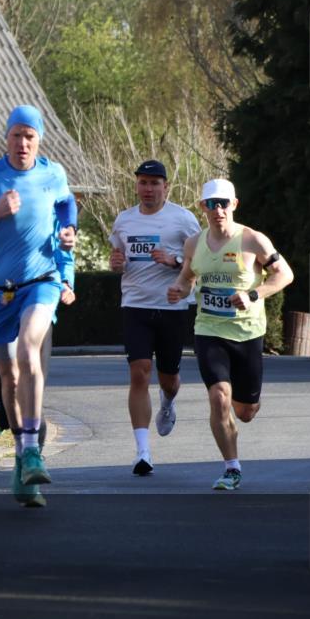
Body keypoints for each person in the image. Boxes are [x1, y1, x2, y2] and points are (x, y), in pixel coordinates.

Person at [0, 105, 78, 507]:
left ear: (39, 140)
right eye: (16, 135)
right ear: (6, 138)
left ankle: (34, 449)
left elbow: (67, 205)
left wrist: (69, 232)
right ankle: (24, 463)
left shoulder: (53, 173)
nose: (23, 143)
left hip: (40, 283)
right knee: (10, 379)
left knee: (29, 349)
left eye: (30, 136)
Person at [167, 178, 293, 490]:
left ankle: (243, 408)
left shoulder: (253, 240)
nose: (218, 210)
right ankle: (231, 467)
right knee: (218, 397)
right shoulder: (194, 243)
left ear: (234, 205)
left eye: (223, 203)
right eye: (211, 204)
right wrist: (178, 289)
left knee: (245, 411)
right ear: (202, 208)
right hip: (209, 330)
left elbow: (285, 275)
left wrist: (254, 294)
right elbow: (187, 278)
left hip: (247, 332)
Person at [109, 160, 201, 476]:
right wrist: (116, 263)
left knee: (168, 378)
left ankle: (168, 402)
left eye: (154, 183)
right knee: (139, 372)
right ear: (136, 185)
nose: (148, 189)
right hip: (134, 305)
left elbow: (200, 261)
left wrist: (175, 261)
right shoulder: (124, 220)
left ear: (166, 187)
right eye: (143, 182)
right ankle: (143, 451)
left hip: (172, 308)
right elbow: (117, 259)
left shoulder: (183, 220)